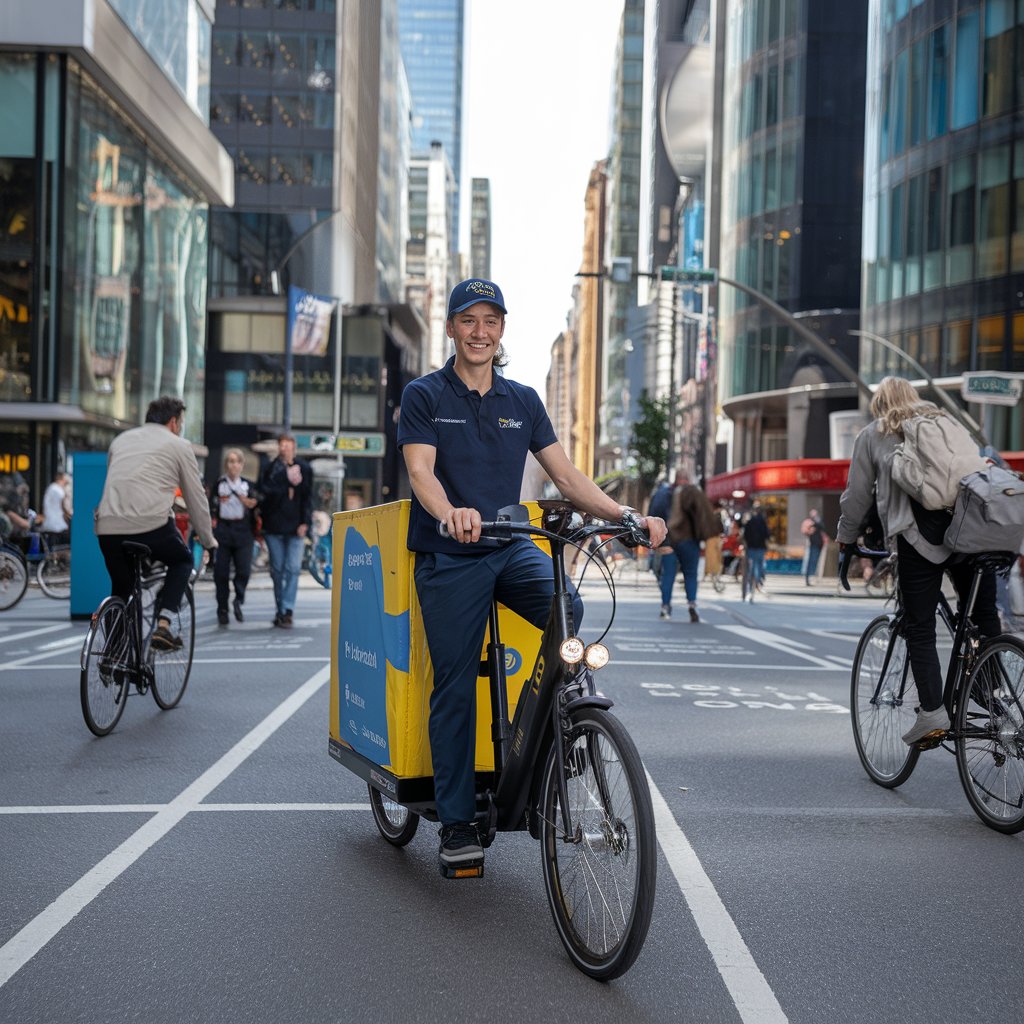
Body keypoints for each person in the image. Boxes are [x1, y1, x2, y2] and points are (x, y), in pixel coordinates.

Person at [397, 277, 667, 874]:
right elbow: (422, 474)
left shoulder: (521, 400)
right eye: (469, 320)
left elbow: (567, 478)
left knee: (567, 607)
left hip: (510, 545)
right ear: (451, 328)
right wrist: (451, 514)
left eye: (491, 321)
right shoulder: (424, 394)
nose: (480, 331)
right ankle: (458, 822)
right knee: (456, 684)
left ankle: (550, 734)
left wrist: (627, 517)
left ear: (501, 331)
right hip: (451, 554)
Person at [836, 376, 1001, 745]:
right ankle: (991, 689)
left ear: (879, 404)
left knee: (920, 626)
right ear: (914, 397)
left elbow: (857, 497)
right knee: (984, 616)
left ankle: (932, 714)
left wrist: (846, 539)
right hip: (971, 531)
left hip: (918, 538)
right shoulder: (948, 422)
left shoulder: (873, 434)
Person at [95, 396, 216, 651]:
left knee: (121, 588)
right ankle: (163, 625)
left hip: (107, 526)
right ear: (173, 422)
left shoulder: (120, 440)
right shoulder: (179, 445)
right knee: (182, 560)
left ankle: (113, 656)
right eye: (181, 423)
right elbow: (196, 499)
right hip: (151, 524)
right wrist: (208, 540)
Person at [258, 434, 312, 628]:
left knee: (293, 569)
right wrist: (284, 478)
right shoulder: (271, 469)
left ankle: (288, 609)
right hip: (274, 526)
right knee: (278, 570)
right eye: (282, 445)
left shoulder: (304, 468)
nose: (285, 449)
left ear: (294, 447)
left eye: (288, 445)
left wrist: (305, 523)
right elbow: (264, 493)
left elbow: (307, 498)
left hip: (296, 527)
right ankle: (280, 609)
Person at [211, 449, 258, 626]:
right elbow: (210, 506)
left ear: (242, 465)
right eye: (230, 461)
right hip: (223, 530)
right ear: (226, 465)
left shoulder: (248, 485)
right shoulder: (219, 484)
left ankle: (238, 598)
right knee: (220, 573)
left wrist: (252, 503)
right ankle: (222, 608)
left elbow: (258, 502)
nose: (234, 465)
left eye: (237, 461)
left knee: (244, 570)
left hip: (243, 530)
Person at [666, 470, 718, 622]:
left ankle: (665, 606)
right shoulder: (693, 492)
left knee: (668, 574)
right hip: (688, 539)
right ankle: (692, 604)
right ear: (687, 479)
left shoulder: (666, 492)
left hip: (668, 538)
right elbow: (702, 515)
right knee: (690, 574)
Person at [646, 470, 680, 615]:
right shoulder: (671, 495)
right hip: (670, 537)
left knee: (658, 569)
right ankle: (666, 603)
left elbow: (650, 515)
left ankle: (665, 602)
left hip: (658, 537)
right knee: (668, 573)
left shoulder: (657, 495)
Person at [742, 502, 771, 596]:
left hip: (751, 547)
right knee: (760, 564)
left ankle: (753, 583)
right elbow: (767, 535)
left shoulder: (749, 522)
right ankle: (757, 582)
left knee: (753, 566)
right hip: (760, 546)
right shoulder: (763, 522)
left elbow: (745, 535)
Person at [41, 470, 71, 545]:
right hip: (55, 524)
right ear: (61, 480)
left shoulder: (52, 488)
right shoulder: (56, 489)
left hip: (53, 523)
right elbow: (65, 503)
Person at [801, 508, 827, 584]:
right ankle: (808, 577)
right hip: (812, 544)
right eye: (813, 514)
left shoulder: (819, 522)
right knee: (811, 560)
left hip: (819, 544)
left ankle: (815, 577)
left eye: (815, 514)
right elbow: (805, 531)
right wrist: (810, 528)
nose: (814, 515)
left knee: (817, 561)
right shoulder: (808, 522)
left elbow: (823, 528)